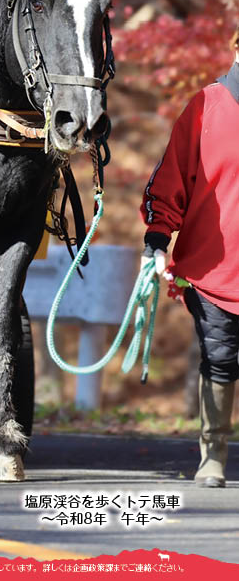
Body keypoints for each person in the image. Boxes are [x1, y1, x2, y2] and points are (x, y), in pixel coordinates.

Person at [140, 27, 239, 488]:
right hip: (214, 268)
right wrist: (157, 240)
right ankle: (213, 454)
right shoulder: (207, 105)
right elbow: (171, 179)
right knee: (219, 358)